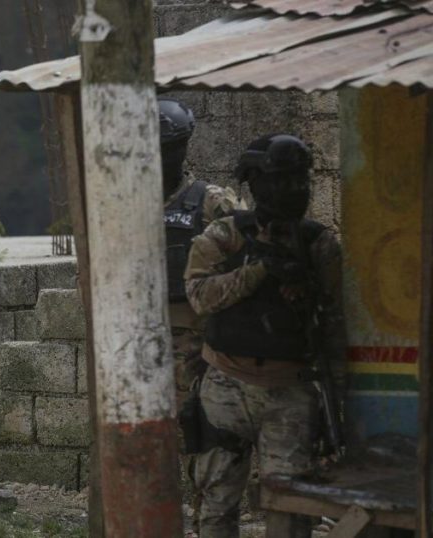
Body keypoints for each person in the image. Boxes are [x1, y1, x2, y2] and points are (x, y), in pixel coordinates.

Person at [184, 134, 347, 538]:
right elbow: (200, 296)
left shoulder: (318, 244)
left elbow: (335, 322)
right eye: (282, 179)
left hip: (290, 392)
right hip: (226, 387)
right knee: (216, 505)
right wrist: (259, 271)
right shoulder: (225, 235)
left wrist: (341, 394)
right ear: (257, 183)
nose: (295, 189)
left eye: (300, 180)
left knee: (292, 509)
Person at [159, 98, 241, 400]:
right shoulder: (122, 205)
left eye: (169, 148)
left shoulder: (212, 202)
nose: (161, 157)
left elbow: (246, 263)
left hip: (198, 342)